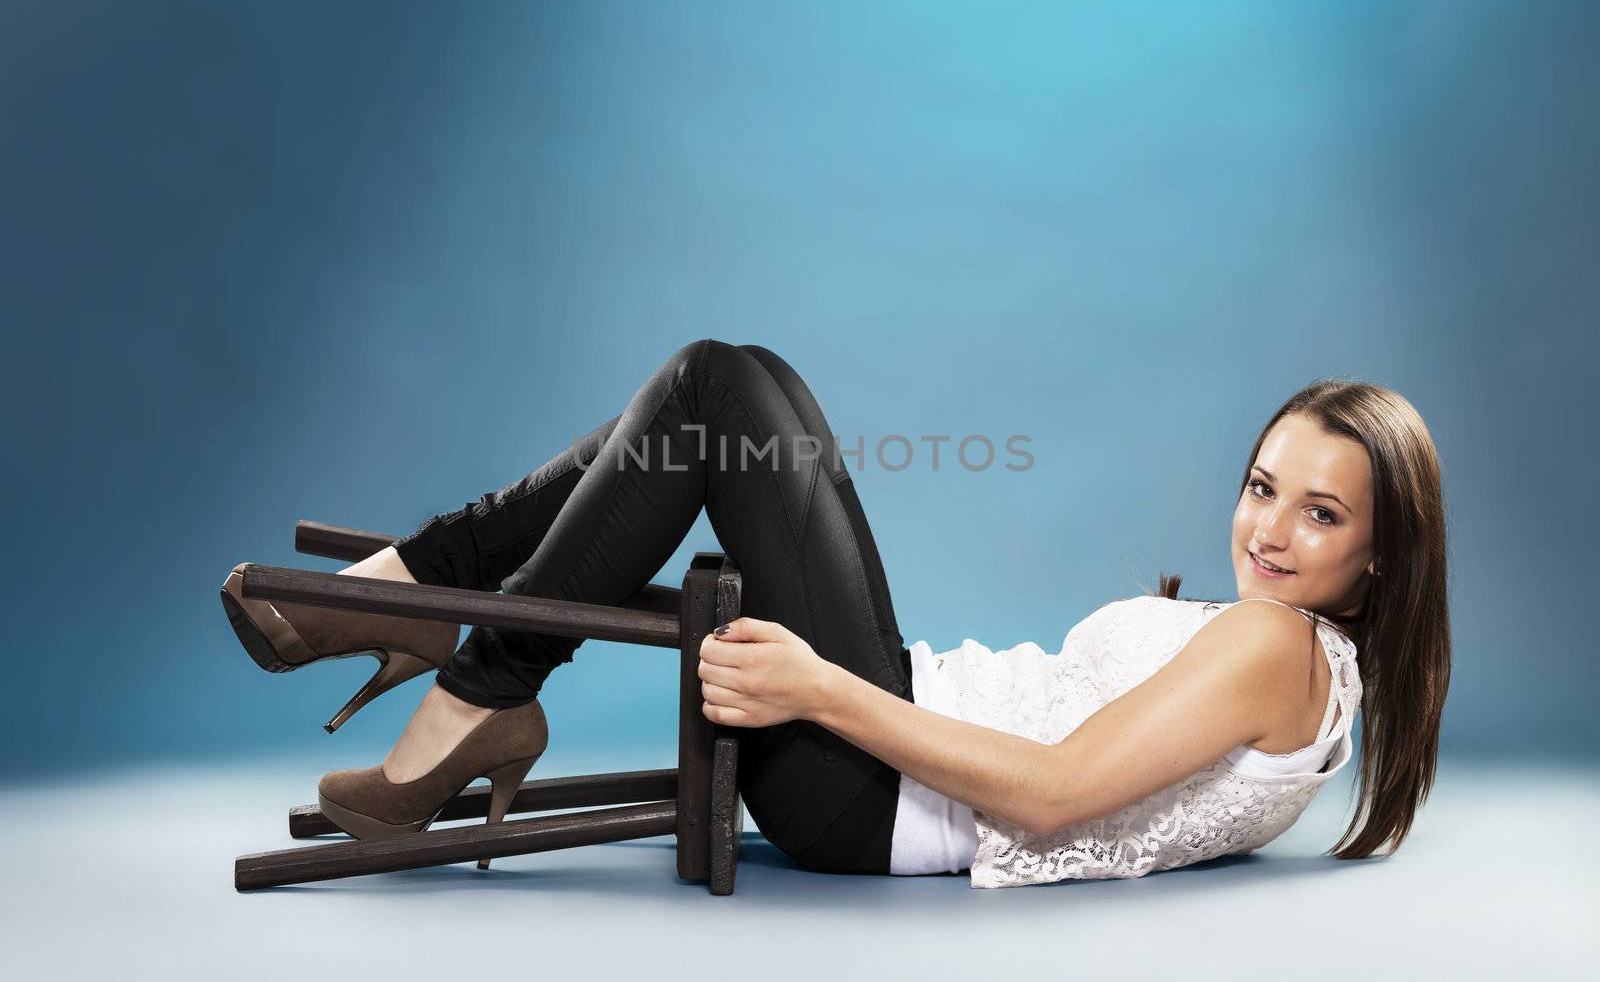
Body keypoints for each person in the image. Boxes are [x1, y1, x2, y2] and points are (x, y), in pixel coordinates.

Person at [219, 338, 1451, 887]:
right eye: (1259, 487)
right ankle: (432, 615)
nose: (1269, 531)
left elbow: (1058, 792)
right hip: (880, 749)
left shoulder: (1277, 640)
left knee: (720, 386)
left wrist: (817, 690)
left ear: (1384, 559)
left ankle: (463, 665)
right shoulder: (1297, 667)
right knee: (730, 392)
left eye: (1322, 514)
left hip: (867, 785)